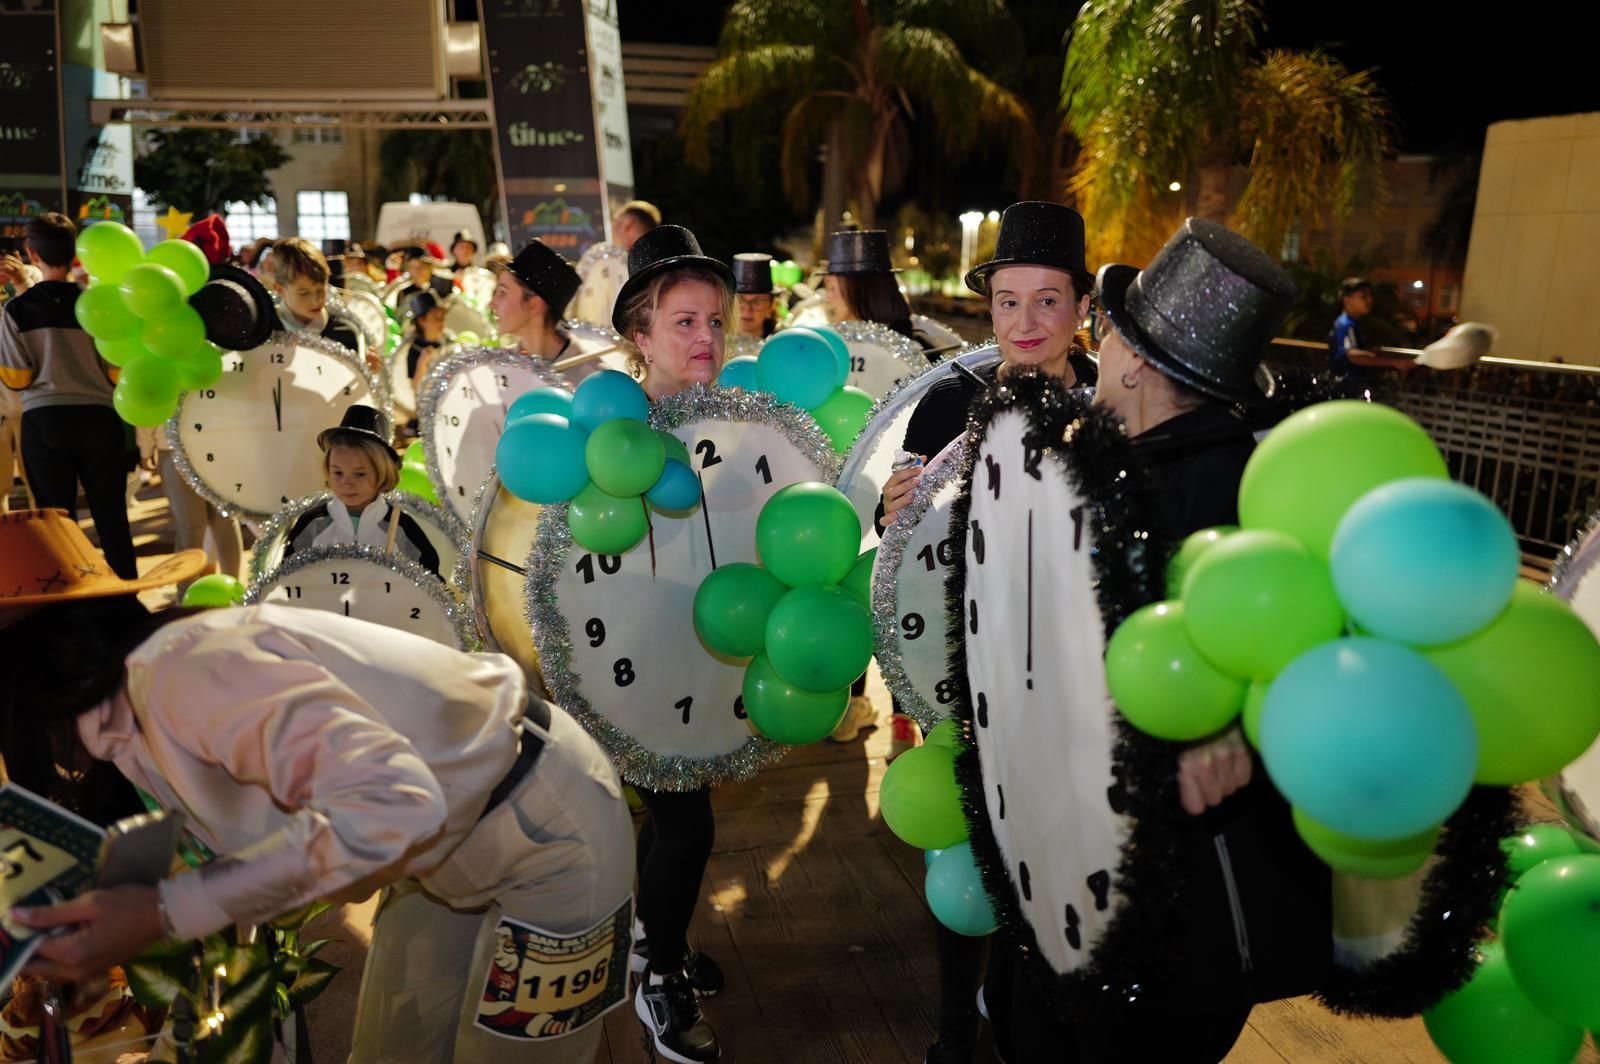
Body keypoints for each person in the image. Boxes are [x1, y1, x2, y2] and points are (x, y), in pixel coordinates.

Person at [0, 508, 634, 1064]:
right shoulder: (125, 724)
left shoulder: (185, 673)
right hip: (434, 855)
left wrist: (163, 912)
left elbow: (396, 802)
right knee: (393, 1047)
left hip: (549, 834)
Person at [981, 218, 1322, 1063]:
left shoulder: (1138, 493)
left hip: (1147, 911)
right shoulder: (1262, 472)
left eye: (1109, 333)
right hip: (1204, 929)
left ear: (1133, 359)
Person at [873, 201, 1099, 1064]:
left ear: (1082, 307)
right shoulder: (946, 405)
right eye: (1009, 301)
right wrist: (890, 508)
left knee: (1042, 855)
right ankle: (954, 1026)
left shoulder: (1107, 409)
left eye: (1048, 300)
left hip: (1074, 680)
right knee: (961, 849)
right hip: (962, 666)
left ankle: (1009, 1005)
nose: (1026, 321)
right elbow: (901, 534)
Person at [611, 224, 733, 1063]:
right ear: (641, 336)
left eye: (716, 322)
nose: (706, 339)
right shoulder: (613, 433)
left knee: (669, 818)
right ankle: (657, 975)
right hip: (625, 665)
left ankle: (654, 935)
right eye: (684, 322)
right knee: (689, 830)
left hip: (700, 657)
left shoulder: (729, 421)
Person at [0, 213, 138, 579]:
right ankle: (126, 599)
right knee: (111, 516)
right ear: (76, 252)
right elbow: (116, 371)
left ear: (32, 253)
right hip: (100, 419)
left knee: (57, 521)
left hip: (44, 422)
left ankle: (69, 603)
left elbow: (16, 379)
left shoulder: (17, 309)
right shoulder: (99, 305)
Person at [284, 406, 440, 576]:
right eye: (338, 472)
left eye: (359, 474)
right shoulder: (312, 524)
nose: (346, 483)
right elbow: (287, 580)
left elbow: (431, 585)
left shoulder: (402, 527)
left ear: (382, 473)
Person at [488, 239, 591, 385]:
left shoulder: (587, 378)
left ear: (534, 304)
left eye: (502, 293)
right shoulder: (501, 372)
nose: (492, 303)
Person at [266, 237, 374, 370]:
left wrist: (367, 374)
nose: (316, 300)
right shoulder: (264, 332)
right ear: (279, 289)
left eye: (320, 290)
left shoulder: (345, 333)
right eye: (304, 293)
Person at [1329, 276, 1413, 389]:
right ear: (1347, 299)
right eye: (1363, 296)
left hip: (1349, 386)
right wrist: (1394, 362)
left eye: (1370, 295)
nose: (1370, 300)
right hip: (1345, 387)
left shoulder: (1352, 323)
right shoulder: (1344, 325)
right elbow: (1353, 356)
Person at [404, 289, 455, 392]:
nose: (441, 322)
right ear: (422, 321)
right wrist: (422, 362)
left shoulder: (448, 341)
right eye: (436, 318)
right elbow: (416, 388)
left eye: (442, 318)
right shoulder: (414, 350)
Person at [731, 253, 780, 339]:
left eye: (757, 302)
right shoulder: (711, 342)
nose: (747, 309)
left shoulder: (780, 343)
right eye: (739, 300)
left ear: (771, 305)